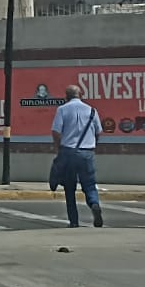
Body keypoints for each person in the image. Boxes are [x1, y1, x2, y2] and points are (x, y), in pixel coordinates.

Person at [51, 84, 104, 228]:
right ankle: (94, 204)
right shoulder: (92, 111)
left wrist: (58, 148)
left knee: (69, 188)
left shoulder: (62, 110)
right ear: (80, 95)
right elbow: (98, 132)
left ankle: (73, 222)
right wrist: (92, 146)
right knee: (90, 184)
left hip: (68, 152)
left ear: (66, 97)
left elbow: (56, 131)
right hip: (87, 152)